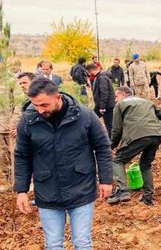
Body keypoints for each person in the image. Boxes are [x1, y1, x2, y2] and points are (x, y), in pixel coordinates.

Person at [14, 78, 112, 249]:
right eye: (35, 105)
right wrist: (21, 190)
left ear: (58, 97)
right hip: (47, 191)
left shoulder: (85, 116)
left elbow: (103, 147)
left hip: (81, 187)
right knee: (53, 244)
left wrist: (106, 180)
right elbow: (22, 156)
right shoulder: (28, 121)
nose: (39, 110)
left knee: (82, 241)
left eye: (44, 105)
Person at [108, 87, 161, 206]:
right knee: (145, 164)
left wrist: (111, 145)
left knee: (118, 161)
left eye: (116, 96)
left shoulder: (120, 105)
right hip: (156, 135)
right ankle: (148, 197)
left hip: (137, 135)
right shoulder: (147, 102)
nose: (115, 99)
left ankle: (123, 191)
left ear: (124, 94)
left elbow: (116, 129)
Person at [87, 63, 116, 139]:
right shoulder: (99, 76)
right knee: (91, 118)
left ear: (91, 70)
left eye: (89, 73)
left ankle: (112, 142)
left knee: (109, 125)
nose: (89, 75)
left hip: (106, 106)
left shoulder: (102, 78)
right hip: (101, 105)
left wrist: (102, 107)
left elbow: (104, 92)